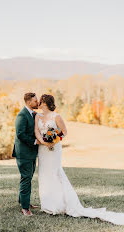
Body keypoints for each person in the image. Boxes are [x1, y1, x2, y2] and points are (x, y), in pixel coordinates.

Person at [35, 94, 124, 225]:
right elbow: (36, 131)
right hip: (43, 149)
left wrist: (53, 141)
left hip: (54, 150)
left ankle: (60, 204)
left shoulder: (56, 116)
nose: (39, 103)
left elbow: (64, 131)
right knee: (44, 175)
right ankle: (48, 204)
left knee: (55, 173)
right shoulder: (38, 116)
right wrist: (44, 142)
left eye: (41, 101)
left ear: (46, 103)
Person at [12, 92, 51, 216]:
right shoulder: (22, 115)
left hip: (32, 153)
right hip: (23, 153)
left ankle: (24, 201)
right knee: (26, 179)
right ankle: (25, 208)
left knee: (27, 177)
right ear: (28, 102)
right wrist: (35, 141)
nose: (37, 103)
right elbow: (20, 134)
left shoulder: (33, 114)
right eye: (35, 101)